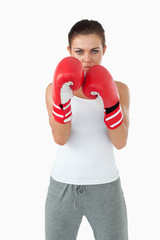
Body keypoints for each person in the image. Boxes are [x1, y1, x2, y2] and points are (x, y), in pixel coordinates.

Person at [45, 19, 130, 240]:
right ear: (69, 51)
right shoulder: (53, 89)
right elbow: (60, 138)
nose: (87, 59)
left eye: (94, 51)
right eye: (79, 51)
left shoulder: (120, 89)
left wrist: (110, 102)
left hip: (106, 187)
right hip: (62, 186)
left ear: (104, 50)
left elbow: (121, 142)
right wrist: (62, 100)